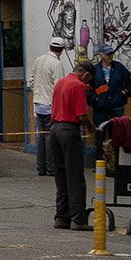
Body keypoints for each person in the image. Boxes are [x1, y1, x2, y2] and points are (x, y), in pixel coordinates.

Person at [49, 60, 97, 231]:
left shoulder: (61, 82)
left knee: (61, 176)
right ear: (86, 75)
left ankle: (61, 217)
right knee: (75, 176)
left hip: (54, 129)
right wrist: (93, 128)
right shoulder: (77, 86)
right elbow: (82, 115)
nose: (88, 84)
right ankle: (78, 219)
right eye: (88, 80)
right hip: (69, 131)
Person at [28, 36, 71, 176]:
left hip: (38, 102)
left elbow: (31, 81)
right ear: (62, 50)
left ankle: (41, 168)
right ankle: (51, 169)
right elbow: (60, 86)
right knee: (50, 138)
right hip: (50, 104)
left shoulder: (39, 60)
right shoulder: (56, 64)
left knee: (41, 137)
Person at [88, 43, 131, 133]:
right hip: (100, 107)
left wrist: (124, 92)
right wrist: (94, 99)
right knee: (100, 132)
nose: (111, 56)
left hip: (117, 105)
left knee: (118, 131)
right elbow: (88, 87)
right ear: (101, 55)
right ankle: (100, 147)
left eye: (111, 54)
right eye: (108, 54)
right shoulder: (94, 69)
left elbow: (130, 80)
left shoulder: (119, 67)